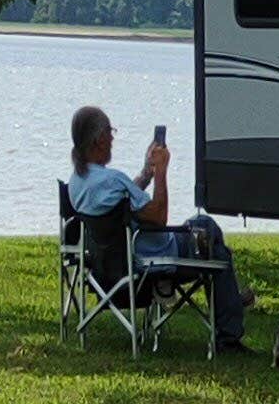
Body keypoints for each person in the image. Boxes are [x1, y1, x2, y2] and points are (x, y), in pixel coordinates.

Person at [67, 104, 254, 352]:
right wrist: (162, 172)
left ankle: (228, 303)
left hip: (108, 266)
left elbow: (124, 203)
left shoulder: (78, 182)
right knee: (208, 232)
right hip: (153, 258)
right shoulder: (112, 179)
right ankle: (228, 324)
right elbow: (158, 217)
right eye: (110, 132)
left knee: (218, 253)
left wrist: (147, 172)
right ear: (100, 139)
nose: (113, 138)